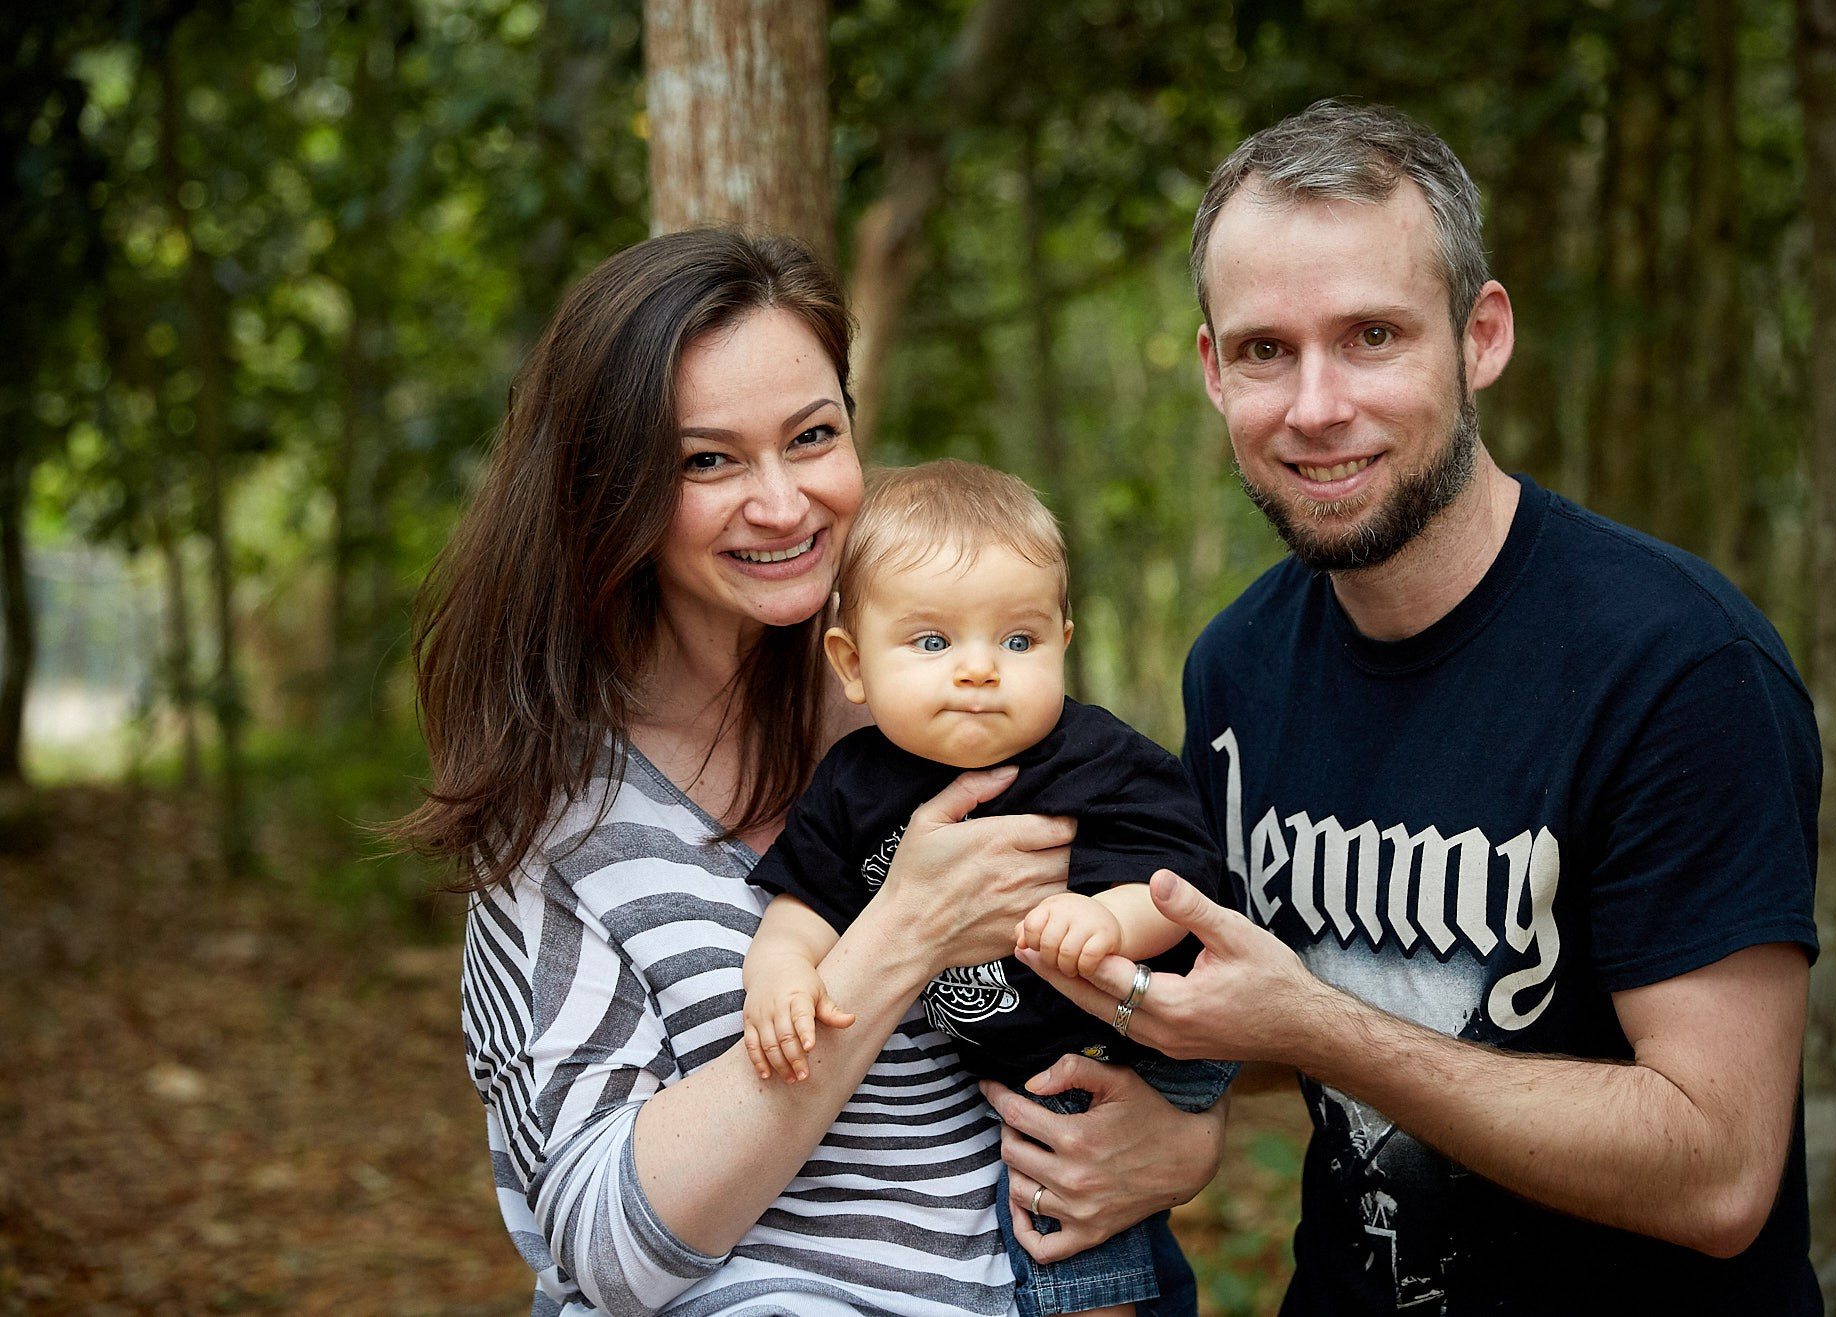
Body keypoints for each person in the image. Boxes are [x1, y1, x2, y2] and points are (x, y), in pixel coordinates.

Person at [1009, 101, 1824, 1313]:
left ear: (1478, 336)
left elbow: (1716, 1170)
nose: (1316, 405)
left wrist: (1317, 1031)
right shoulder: (1235, 664)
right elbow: (1261, 1005)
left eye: (1371, 335)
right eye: (1264, 351)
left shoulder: (1675, 669)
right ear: (1209, 371)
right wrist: (1191, 1119)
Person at [391, 229, 1221, 1316]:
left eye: (811, 436)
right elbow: (602, 1248)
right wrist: (898, 935)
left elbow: (1165, 956)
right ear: (612, 488)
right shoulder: (561, 831)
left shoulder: (955, 714)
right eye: (707, 460)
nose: (781, 504)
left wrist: (1180, 1139)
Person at [742, 459, 1235, 1317]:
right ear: (852, 664)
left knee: (1063, 1229)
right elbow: (806, 901)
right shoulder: (854, 783)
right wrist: (780, 972)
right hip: (1025, 1069)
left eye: (1017, 640)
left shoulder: (1095, 756)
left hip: (1124, 1049)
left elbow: (1184, 879)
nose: (979, 670)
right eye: (933, 642)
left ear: (1062, 644)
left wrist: (1105, 920)